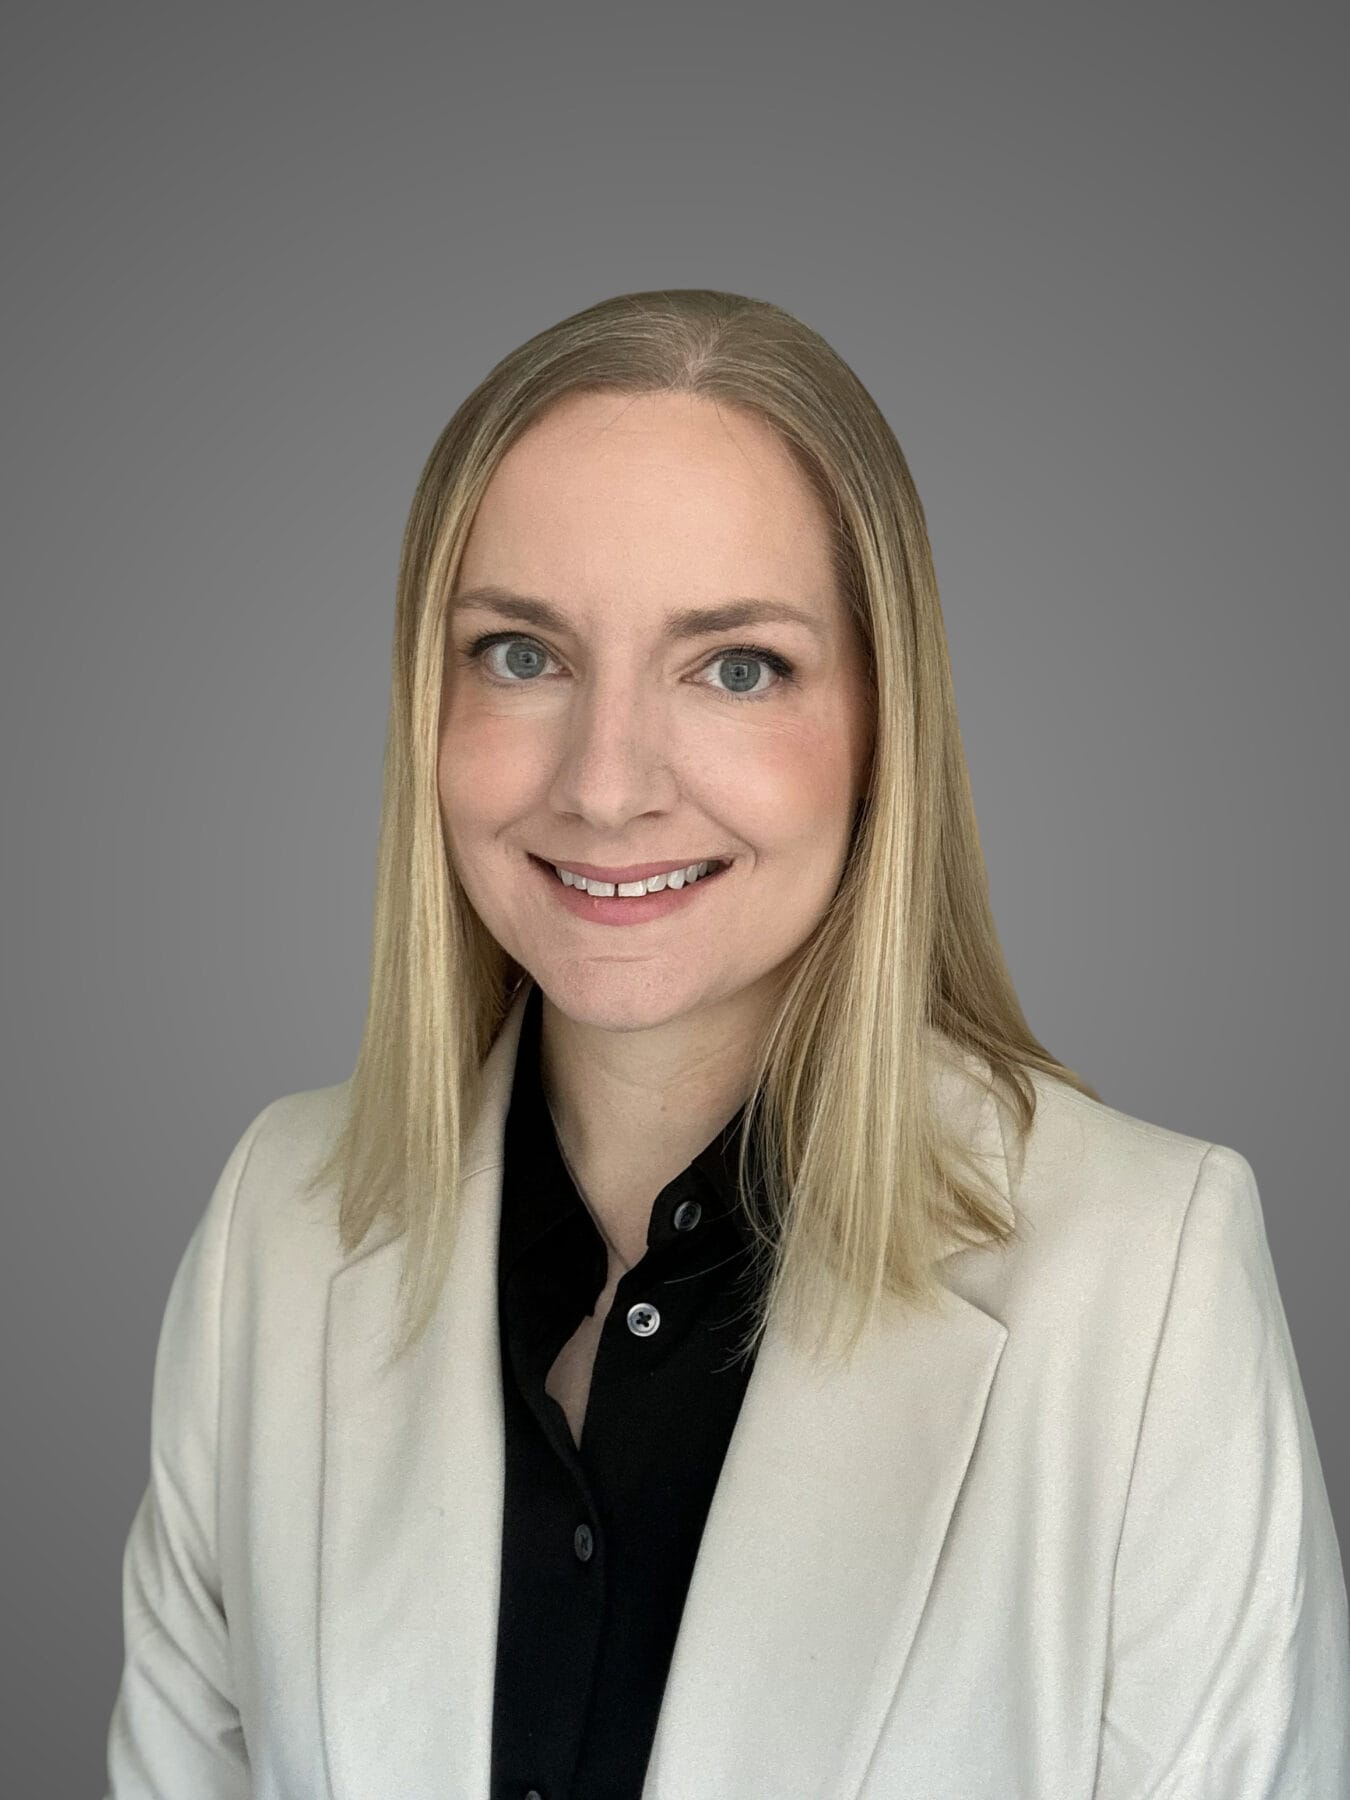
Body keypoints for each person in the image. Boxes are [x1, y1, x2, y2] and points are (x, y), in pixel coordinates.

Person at [104, 289, 1350, 1799]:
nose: (607, 784)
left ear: (884, 724)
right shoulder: (275, 1228)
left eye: (736, 667)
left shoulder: (1146, 1283)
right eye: (519, 654)